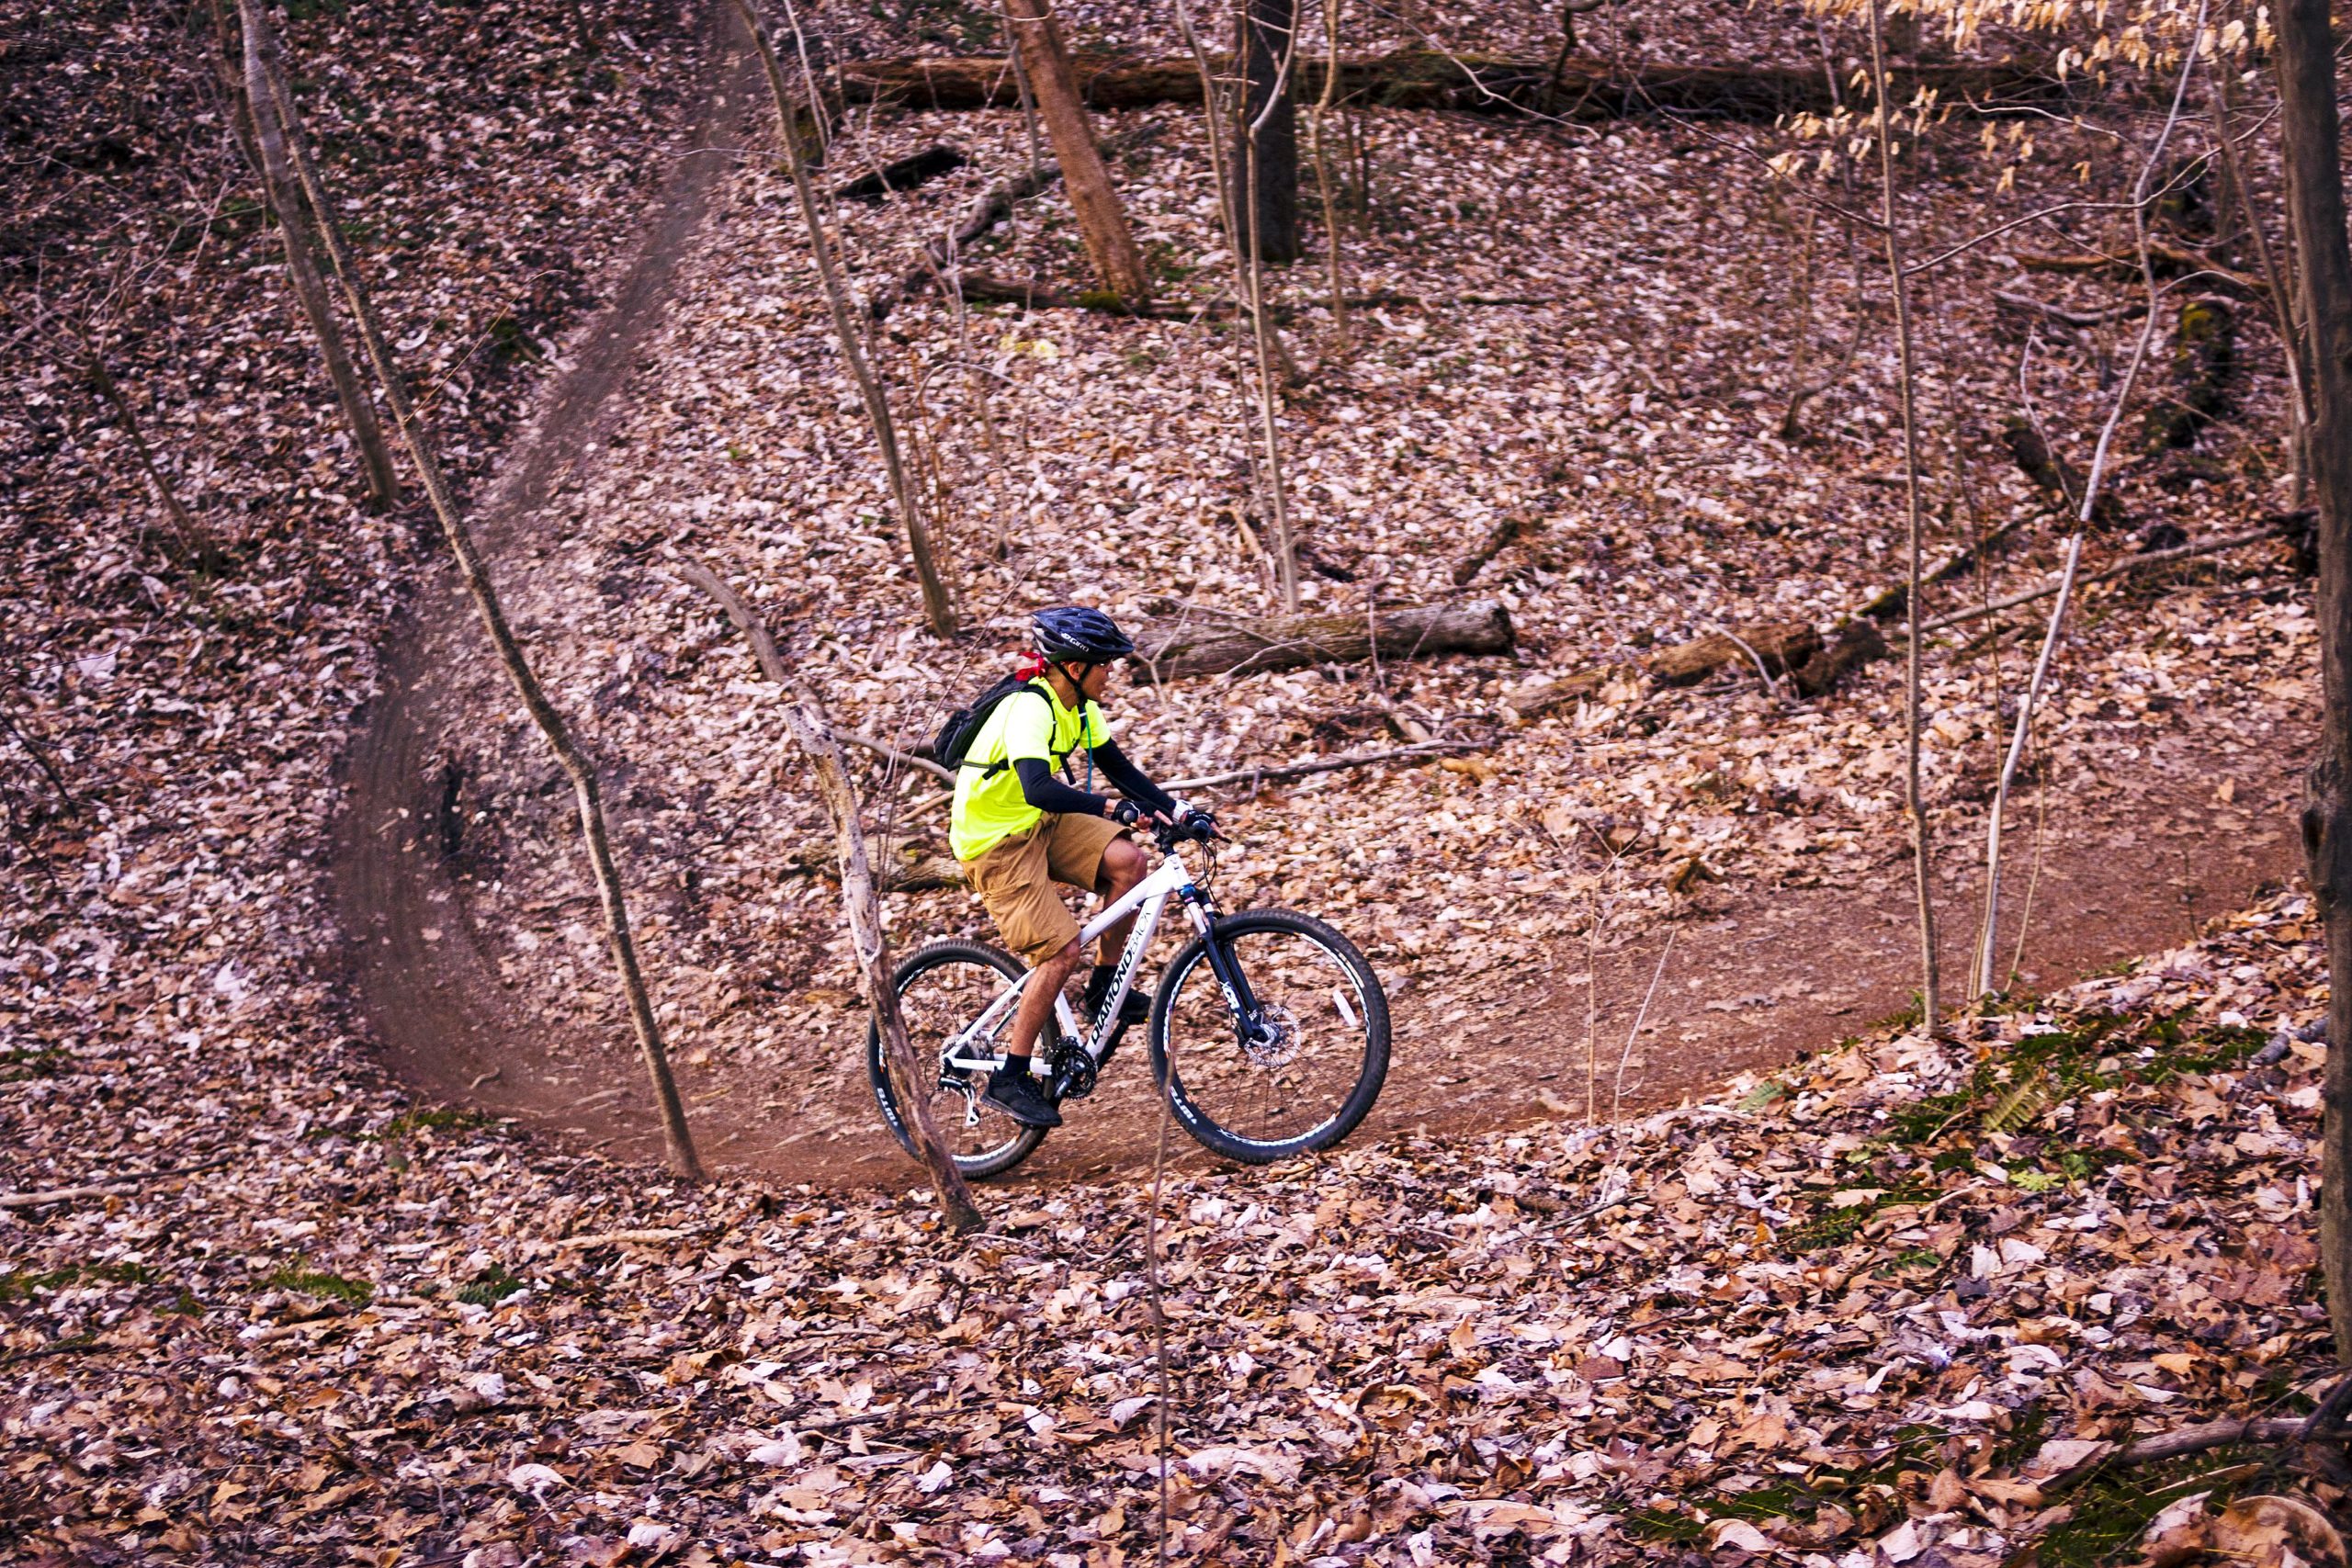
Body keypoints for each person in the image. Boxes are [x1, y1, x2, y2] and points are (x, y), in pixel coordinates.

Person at [949, 607, 1210, 1129]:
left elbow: (1119, 768)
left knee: (1128, 862)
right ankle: (1011, 1075)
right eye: (1103, 664)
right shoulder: (1030, 708)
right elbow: (1037, 786)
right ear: (1073, 667)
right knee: (1061, 950)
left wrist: (1178, 812)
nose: (1110, 673)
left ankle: (1103, 987)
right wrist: (1112, 809)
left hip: (1040, 823)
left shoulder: (1079, 709)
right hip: (995, 842)